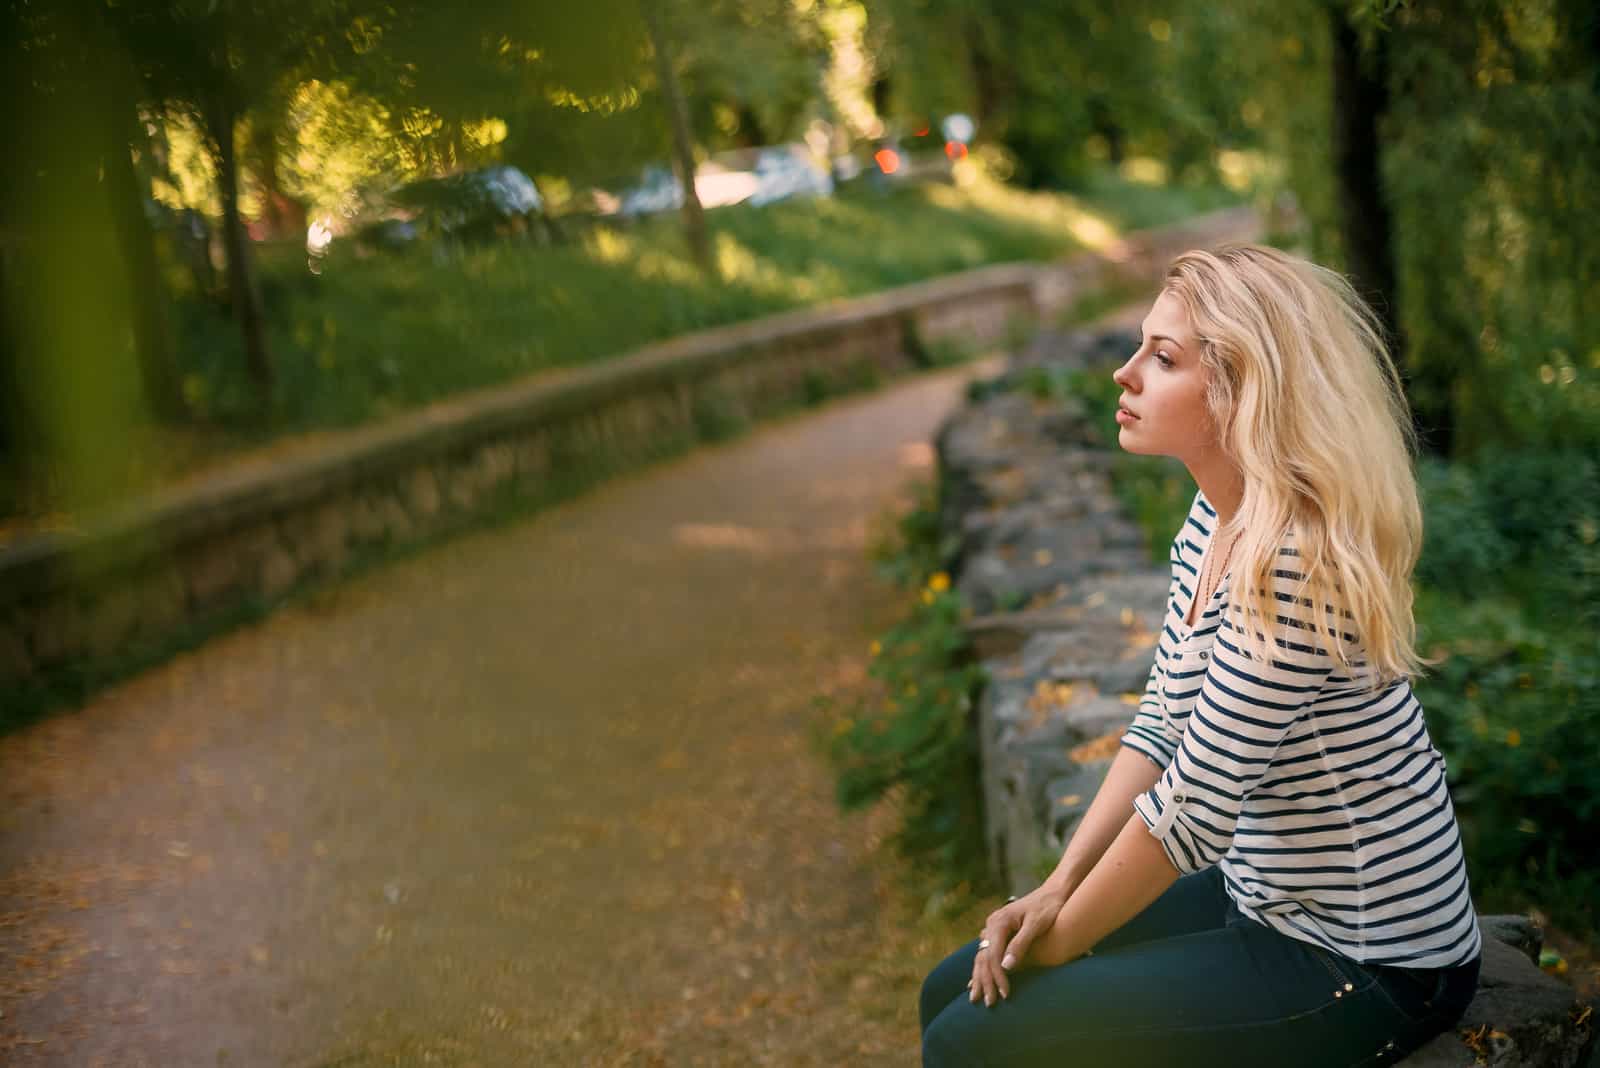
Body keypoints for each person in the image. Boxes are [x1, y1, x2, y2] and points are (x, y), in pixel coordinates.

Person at [918, 244, 1484, 1067]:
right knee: (949, 990)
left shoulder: (1296, 559)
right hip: (1265, 900)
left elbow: (1193, 813)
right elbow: (1158, 728)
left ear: (1242, 392)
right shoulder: (1215, 520)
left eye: (1163, 357)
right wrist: (1055, 887)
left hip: (1367, 955)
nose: (1125, 373)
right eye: (1141, 345)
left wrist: (1052, 944)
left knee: (977, 1034)